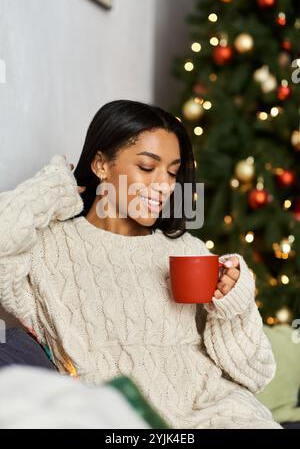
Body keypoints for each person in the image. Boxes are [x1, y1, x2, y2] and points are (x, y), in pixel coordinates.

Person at [0, 99, 281, 429]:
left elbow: (257, 373)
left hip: (223, 414)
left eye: (173, 173)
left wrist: (233, 306)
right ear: (101, 164)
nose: (164, 185)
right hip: (123, 420)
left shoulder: (189, 251)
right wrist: (55, 188)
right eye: (147, 168)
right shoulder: (46, 248)